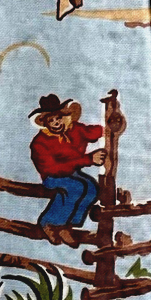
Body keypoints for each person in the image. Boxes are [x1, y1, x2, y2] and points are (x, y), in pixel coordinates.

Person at [29, 93, 103, 241]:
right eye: (51, 120)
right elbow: (53, 169)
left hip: (71, 172)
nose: (56, 123)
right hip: (52, 177)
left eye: (58, 118)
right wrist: (88, 159)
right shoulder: (39, 143)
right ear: (45, 123)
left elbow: (90, 132)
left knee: (92, 188)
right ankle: (49, 223)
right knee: (75, 187)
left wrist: (107, 127)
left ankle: (69, 224)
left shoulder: (72, 129)